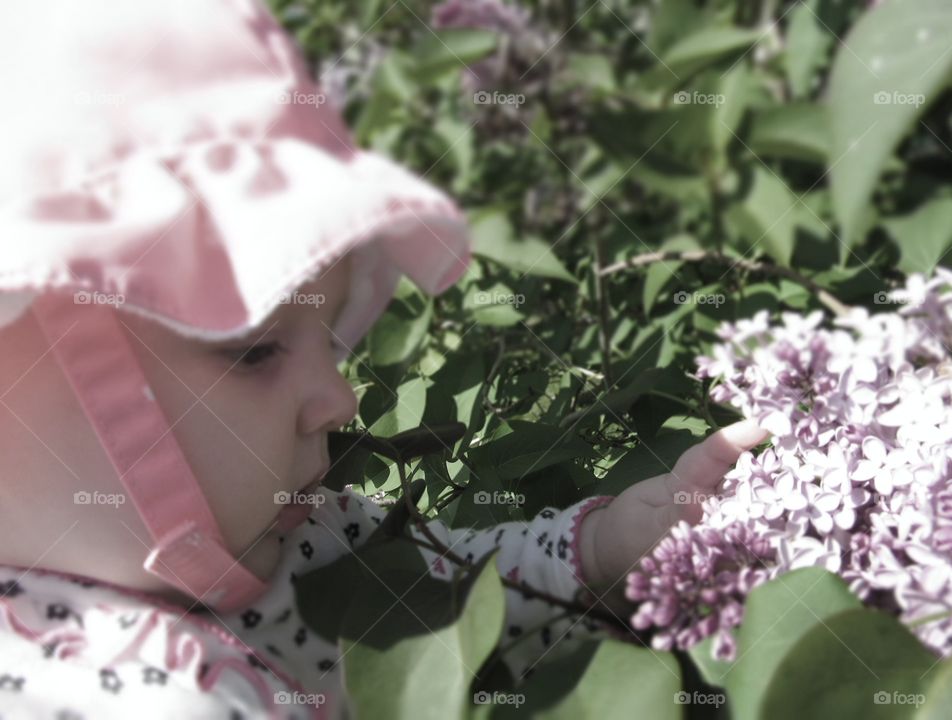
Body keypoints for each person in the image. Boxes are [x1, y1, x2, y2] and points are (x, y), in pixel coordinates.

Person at [0, 1, 768, 717]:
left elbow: (451, 587)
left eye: (331, 340)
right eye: (257, 352)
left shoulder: (295, 533)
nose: (340, 399)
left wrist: (598, 548)